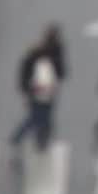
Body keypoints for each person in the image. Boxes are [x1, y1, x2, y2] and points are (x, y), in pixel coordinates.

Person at [11, 25, 65, 153]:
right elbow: (61, 71)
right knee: (38, 117)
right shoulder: (50, 52)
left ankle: (40, 140)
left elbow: (24, 70)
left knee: (41, 117)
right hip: (42, 90)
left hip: (42, 90)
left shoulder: (38, 51)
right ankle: (20, 138)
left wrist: (25, 88)